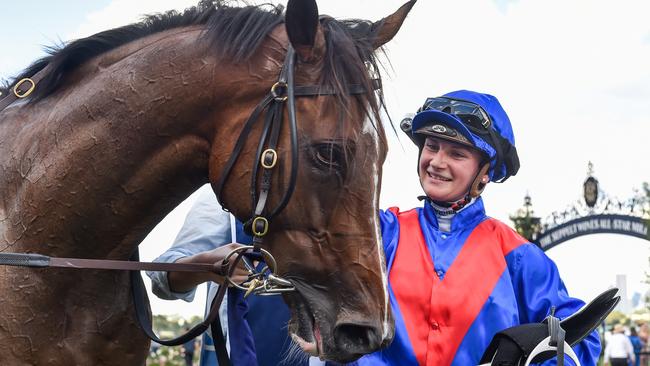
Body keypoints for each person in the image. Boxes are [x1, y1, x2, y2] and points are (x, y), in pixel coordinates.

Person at [150, 90, 600, 365]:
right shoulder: (378, 231)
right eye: (432, 146)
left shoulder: (520, 257)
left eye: (456, 153)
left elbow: (583, 336)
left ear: (486, 171)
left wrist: (540, 357)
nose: (437, 161)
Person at [147, 186, 320, 366]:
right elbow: (163, 282)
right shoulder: (221, 193)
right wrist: (207, 263)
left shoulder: (342, 190)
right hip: (233, 356)